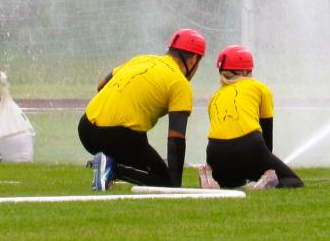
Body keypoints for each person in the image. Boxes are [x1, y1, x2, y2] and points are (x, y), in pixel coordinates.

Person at [78, 28, 205, 190]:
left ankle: (106, 160)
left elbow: (101, 85)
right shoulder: (180, 83)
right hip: (115, 137)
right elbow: (176, 139)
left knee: (139, 134)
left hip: (85, 129)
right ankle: (112, 169)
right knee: (164, 180)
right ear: (194, 59)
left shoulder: (141, 59)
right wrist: (174, 184)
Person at [199, 45, 303, 190]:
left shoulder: (214, 97)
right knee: (293, 180)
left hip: (215, 154)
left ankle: (210, 179)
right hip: (249, 147)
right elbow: (266, 133)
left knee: (233, 184)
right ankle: (266, 183)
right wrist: (267, 166)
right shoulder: (259, 88)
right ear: (245, 71)